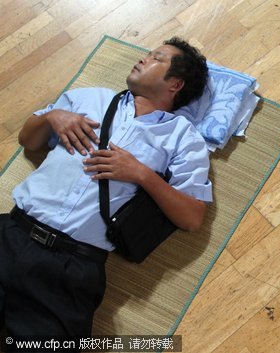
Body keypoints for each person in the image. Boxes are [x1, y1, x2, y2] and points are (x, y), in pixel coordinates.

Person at [0, 37, 212, 340]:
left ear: (175, 84)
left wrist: (141, 174)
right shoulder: (89, 98)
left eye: (156, 57)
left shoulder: (182, 138)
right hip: (11, 232)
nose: (143, 58)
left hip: (70, 270)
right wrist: (51, 117)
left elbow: (192, 217)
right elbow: (29, 142)